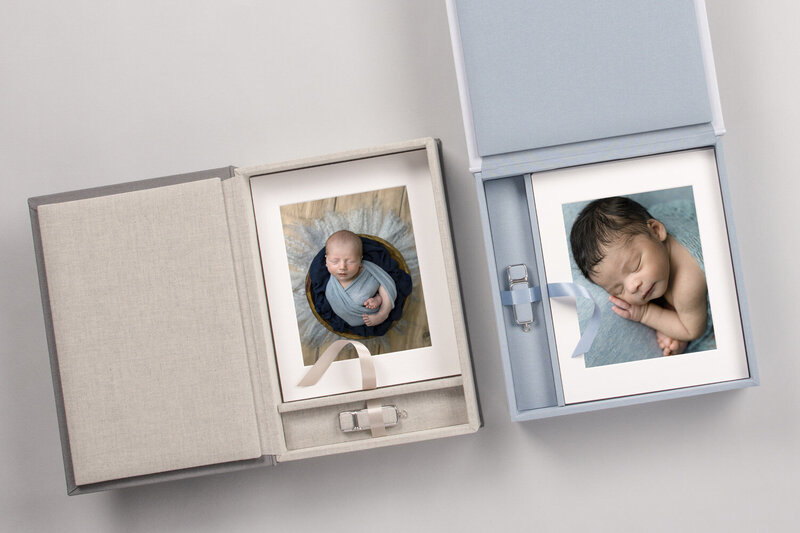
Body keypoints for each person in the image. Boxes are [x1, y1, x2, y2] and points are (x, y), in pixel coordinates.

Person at [570, 197, 709, 356]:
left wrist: (646, 314)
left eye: (635, 266)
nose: (632, 287)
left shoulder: (688, 283)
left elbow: (692, 330)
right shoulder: (650, 246)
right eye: (618, 289)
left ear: (656, 231)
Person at [324, 230, 397, 327]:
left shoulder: (368, 270)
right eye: (334, 261)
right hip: (359, 314)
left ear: (360, 260)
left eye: (351, 261)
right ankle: (377, 300)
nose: (342, 267)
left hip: (378, 302)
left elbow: (386, 282)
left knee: (384, 286)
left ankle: (383, 313)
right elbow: (339, 309)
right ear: (326, 260)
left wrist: (381, 300)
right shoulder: (331, 289)